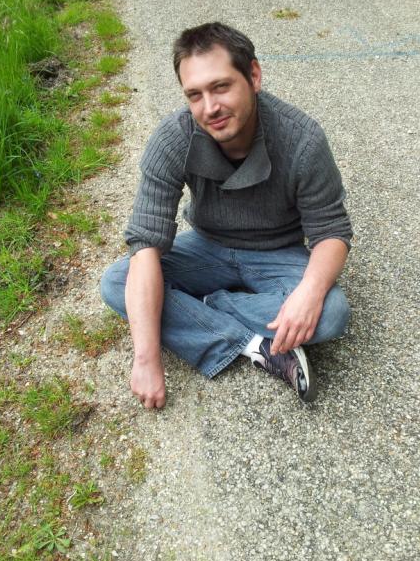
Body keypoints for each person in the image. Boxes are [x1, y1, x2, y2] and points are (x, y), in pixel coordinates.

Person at [101, 22, 352, 409]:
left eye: (221, 87)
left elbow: (332, 232)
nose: (210, 108)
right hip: (208, 246)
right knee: (118, 282)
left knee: (331, 313)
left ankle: (207, 305)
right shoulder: (173, 139)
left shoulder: (302, 139)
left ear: (254, 76)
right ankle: (255, 346)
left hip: (279, 251)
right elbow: (146, 244)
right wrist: (146, 358)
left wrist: (310, 292)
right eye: (195, 95)